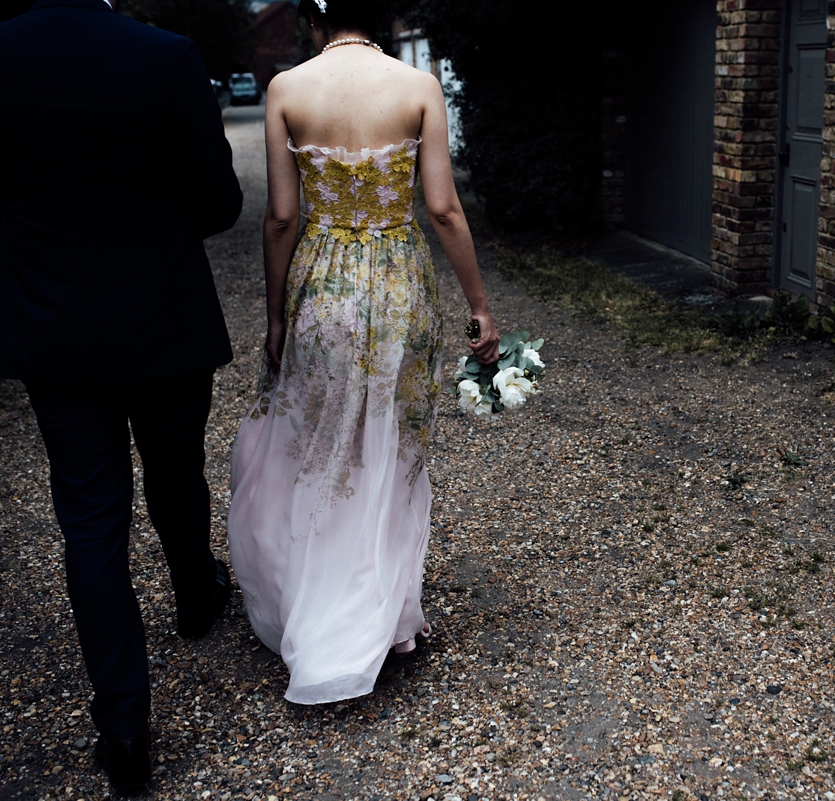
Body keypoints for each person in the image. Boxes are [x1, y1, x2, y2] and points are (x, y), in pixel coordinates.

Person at [227, 0, 500, 705]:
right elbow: (442, 208)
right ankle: (384, 619)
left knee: (322, 448)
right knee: (387, 447)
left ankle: (322, 606)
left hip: (322, 285)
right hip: (399, 286)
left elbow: (282, 217)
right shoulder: (416, 88)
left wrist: (278, 313)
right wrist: (478, 303)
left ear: (314, 15)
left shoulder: (287, 88)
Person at [0, 0, 242, 794]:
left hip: (54, 330)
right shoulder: (164, 54)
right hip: (162, 315)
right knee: (175, 472)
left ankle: (125, 728)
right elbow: (219, 202)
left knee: (89, 522)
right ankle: (195, 594)